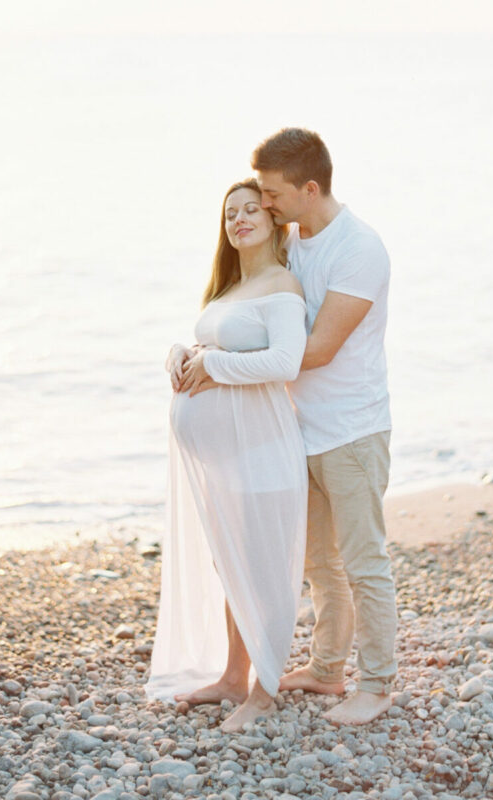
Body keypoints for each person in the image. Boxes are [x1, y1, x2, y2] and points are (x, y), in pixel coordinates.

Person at [145, 178, 308, 733]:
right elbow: (219, 349)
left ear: (272, 219)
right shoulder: (230, 287)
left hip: (261, 451)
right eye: (229, 213)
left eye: (249, 210)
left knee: (262, 573)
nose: (238, 218)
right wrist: (184, 355)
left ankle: (264, 691)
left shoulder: (281, 285)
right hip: (224, 460)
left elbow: (285, 362)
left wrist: (212, 367)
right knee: (229, 565)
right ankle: (234, 677)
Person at [255, 128, 397, 726]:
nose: (265, 204)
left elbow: (316, 349)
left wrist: (224, 370)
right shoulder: (290, 241)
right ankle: (327, 667)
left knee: (364, 562)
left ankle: (379, 684)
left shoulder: (360, 249)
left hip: (352, 434)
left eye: (273, 193)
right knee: (319, 565)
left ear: (310, 189)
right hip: (300, 432)